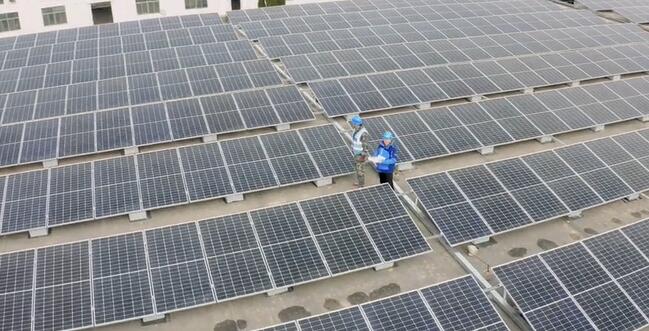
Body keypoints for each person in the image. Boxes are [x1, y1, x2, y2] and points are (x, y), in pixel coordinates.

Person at [350, 115, 369, 187]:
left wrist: (363, 156)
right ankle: (360, 183)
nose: (352, 124)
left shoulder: (363, 133)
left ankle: (361, 185)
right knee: (358, 170)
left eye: (353, 123)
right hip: (356, 154)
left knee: (360, 171)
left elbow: (365, 147)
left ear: (356, 124)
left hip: (361, 155)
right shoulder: (356, 130)